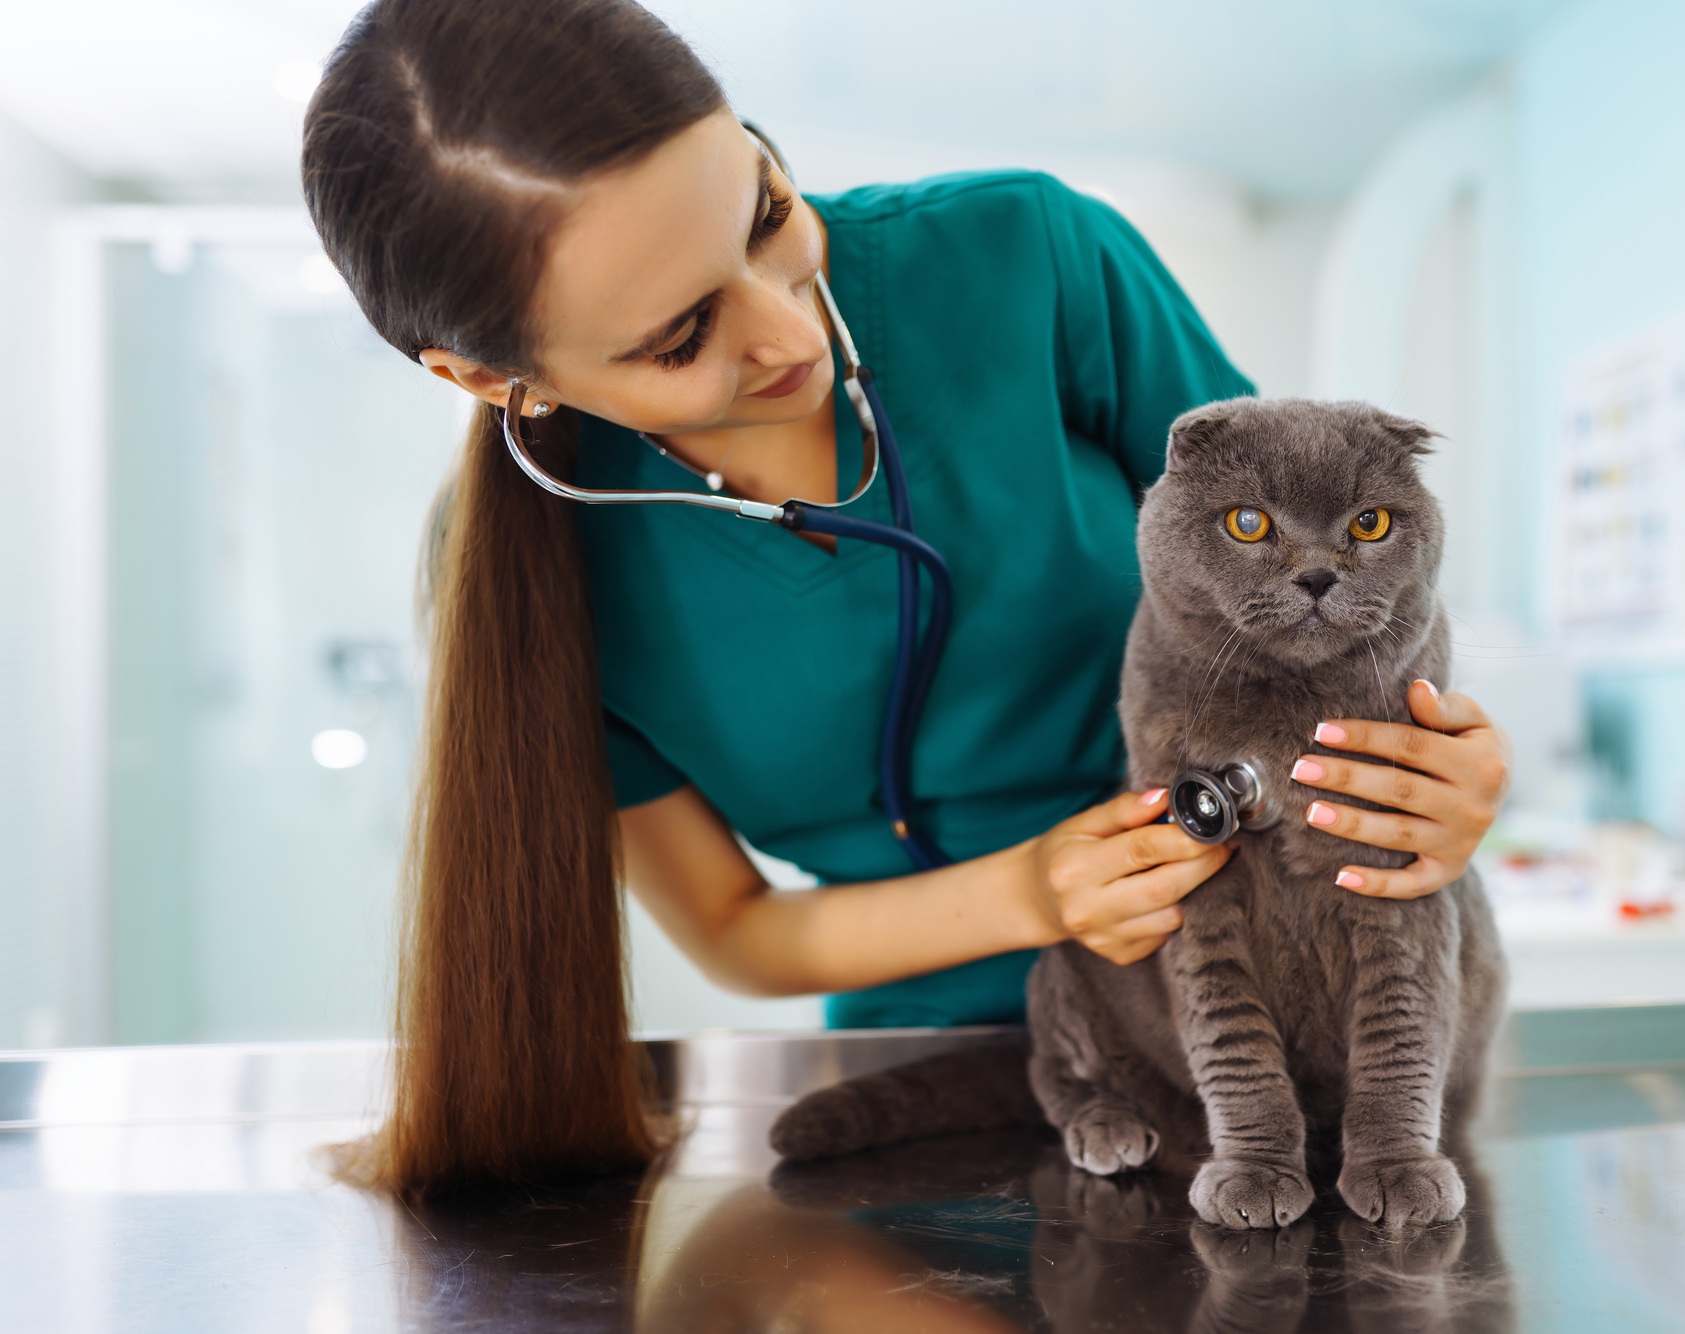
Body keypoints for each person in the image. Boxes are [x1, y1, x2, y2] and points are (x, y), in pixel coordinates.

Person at [302, 0, 1512, 1194]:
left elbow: (1323, 559)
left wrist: (1434, 781)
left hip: (1295, 1010)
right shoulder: (528, 576)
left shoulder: (1025, 258)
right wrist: (1030, 890)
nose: (786, 330)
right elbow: (731, 926)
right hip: (915, 1085)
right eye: (679, 338)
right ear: (490, 377)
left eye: (767, 212)